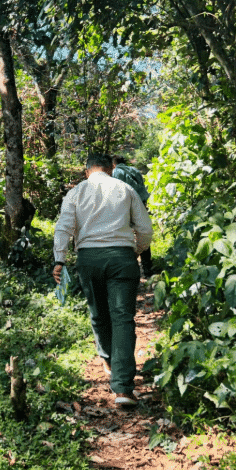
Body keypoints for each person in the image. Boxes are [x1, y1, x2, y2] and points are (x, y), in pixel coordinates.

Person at [52, 152, 153, 407]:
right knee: (123, 318)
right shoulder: (125, 189)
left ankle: (108, 359)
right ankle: (123, 388)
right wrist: (136, 251)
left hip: (89, 260)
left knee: (98, 314)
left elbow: (64, 226)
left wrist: (59, 259)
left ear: (87, 172)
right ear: (110, 169)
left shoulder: (75, 193)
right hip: (122, 258)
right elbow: (145, 229)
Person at [112, 155, 153, 277]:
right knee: (142, 232)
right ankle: (147, 269)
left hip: (127, 206)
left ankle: (128, 269)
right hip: (141, 203)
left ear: (114, 163)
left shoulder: (116, 172)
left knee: (126, 235)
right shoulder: (134, 170)